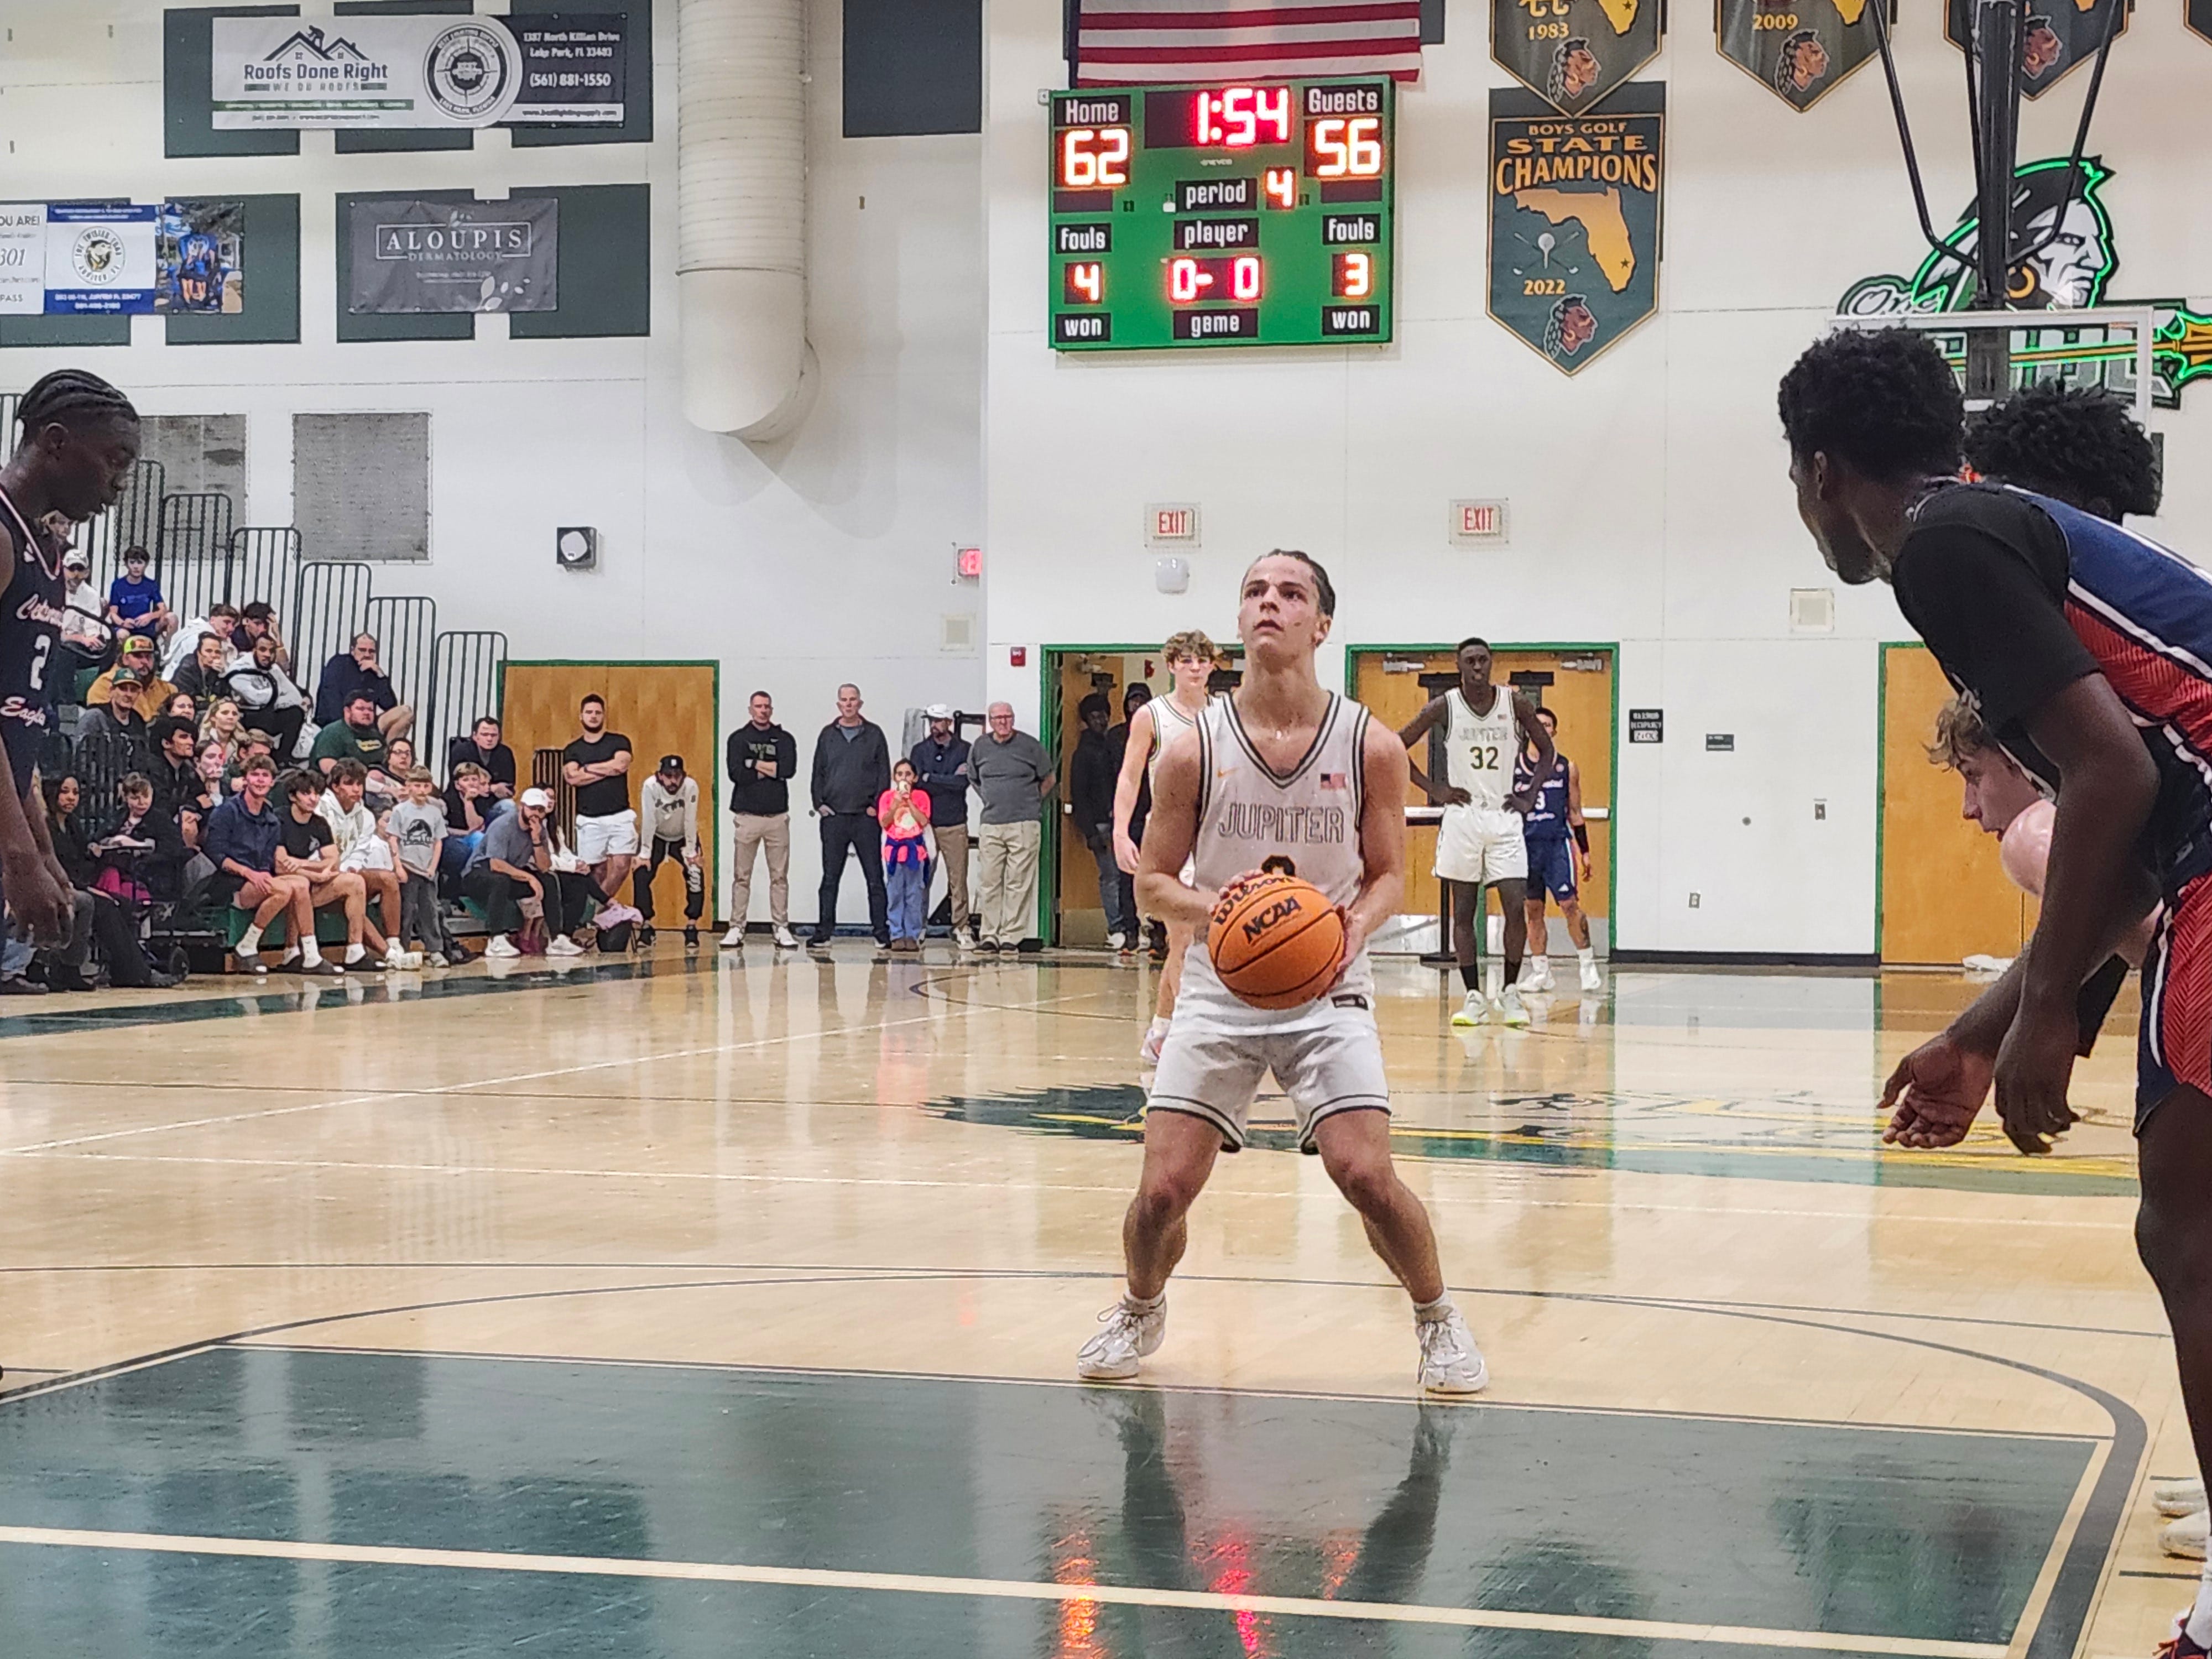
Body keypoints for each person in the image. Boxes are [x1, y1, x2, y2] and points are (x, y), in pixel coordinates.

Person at [1775, 328, 2212, 1659]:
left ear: (1818, 468)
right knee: (2182, 1229)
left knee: (2190, 1233)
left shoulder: (1944, 542)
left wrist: (2035, 1025)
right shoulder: (1990, 526)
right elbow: (2129, 821)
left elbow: (2114, 785)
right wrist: (1983, 1029)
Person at [1076, 549, 1487, 1395]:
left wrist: (1348, 929)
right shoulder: (1189, 750)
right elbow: (1152, 883)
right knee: (1162, 1192)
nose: (1271, 603)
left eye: (1291, 593)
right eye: (1256, 591)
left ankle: (1438, 1317)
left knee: (1366, 1175)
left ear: (1321, 624)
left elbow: (1386, 877)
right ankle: (1140, 1304)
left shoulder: (1369, 743)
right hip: (1220, 989)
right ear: (1238, 620)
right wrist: (1221, 908)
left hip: (1329, 984)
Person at [1398, 638, 1553, 1029]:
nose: (1478, 667)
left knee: (1515, 905)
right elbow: (1394, 745)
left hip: (1503, 816)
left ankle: (1510, 991)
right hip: (1462, 817)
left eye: (1484, 660)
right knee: (1463, 912)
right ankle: (1473, 996)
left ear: (1492, 663)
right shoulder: (1444, 706)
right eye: (1471, 661)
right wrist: (1433, 789)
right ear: (1459, 666)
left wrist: (1530, 794)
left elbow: (1548, 752)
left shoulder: (1513, 704)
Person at [1114, 633, 1216, 1058]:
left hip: (1213, 836)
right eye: (1186, 660)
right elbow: (1130, 776)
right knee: (1183, 938)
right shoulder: (1152, 716)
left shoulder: (1223, 715)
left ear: (1213, 666)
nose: (1195, 668)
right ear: (1171, 665)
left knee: (1201, 941)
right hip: (1169, 837)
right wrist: (1122, 832)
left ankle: (1160, 1030)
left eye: (1202, 661)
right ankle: (1194, 1035)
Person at [201, 754, 317, 976]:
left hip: (257, 878)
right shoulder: (227, 811)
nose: (260, 780)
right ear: (246, 779)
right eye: (255, 775)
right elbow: (216, 854)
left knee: (301, 883)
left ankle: (310, 954)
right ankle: (246, 947)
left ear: (272, 782)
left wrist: (262, 874)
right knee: (283, 889)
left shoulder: (272, 818)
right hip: (228, 881)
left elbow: (266, 860)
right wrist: (250, 874)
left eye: (266, 776)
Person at [1516, 707, 1603, 995]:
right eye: (1538, 724)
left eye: (1548, 725)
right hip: (1525, 846)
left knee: (1569, 905)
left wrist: (1586, 851)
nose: (1543, 729)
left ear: (1554, 731)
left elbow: (1575, 812)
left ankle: (1587, 965)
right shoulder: (1512, 766)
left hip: (1556, 845)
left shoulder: (1566, 767)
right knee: (1533, 909)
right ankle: (1541, 972)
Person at [466, 786, 595, 960]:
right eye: (532, 808)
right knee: (500, 880)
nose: (536, 813)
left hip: (510, 874)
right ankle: (496, 939)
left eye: (540, 810)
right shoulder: (503, 825)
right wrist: (529, 878)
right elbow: (496, 864)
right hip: (478, 873)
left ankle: (557, 939)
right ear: (522, 807)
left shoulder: (539, 830)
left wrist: (536, 841)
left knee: (549, 879)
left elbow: (544, 866)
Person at [808, 682, 890, 950]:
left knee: (875, 878)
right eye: (844, 700)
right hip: (835, 819)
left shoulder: (875, 734)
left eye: (853, 699)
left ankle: (881, 931)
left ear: (860, 703)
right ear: (838, 704)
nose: (849, 704)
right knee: (830, 878)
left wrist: (876, 806)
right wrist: (819, 804)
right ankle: (824, 932)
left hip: (865, 818)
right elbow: (817, 773)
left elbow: (884, 774)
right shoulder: (827, 735)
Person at [971, 702, 1056, 953]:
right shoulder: (980, 747)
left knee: (1019, 882)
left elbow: (1049, 779)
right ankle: (989, 936)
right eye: (998, 718)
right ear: (990, 721)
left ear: (1013, 719)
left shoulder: (1030, 746)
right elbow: (974, 778)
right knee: (989, 881)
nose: (1003, 722)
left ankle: (1011, 937)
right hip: (992, 823)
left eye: (1007, 717)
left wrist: (1030, 802)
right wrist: (991, 798)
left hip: (1024, 823)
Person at [316, 757, 410, 968]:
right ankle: (384, 953)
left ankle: (395, 942)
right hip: (320, 877)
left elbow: (360, 852)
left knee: (387, 878)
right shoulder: (320, 810)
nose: (356, 789)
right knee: (353, 884)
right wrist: (342, 872)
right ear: (335, 786)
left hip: (348, 873)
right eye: (349, 783)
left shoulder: (366, 816)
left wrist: (351, 868)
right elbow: (314, 853)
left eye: (359, 784)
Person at [724, 691, 800, 951]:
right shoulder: (738, 739)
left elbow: (787, 770)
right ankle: (736, 927)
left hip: (777, 817)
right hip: (746, 817)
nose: (763, 711)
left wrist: (754, 763)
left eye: (767, 706)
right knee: (741, 876)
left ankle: (781, 927)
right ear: (750, 709)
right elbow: (737, 774)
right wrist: (771, 769)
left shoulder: (784, 739)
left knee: (779, 876)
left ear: (772, 709)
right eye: (758, 706)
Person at [274, 769, 364, 973]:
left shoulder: (319, 823)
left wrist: (300, 864)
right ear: (292, 796)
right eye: (307, 794)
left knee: (354, 881)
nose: (313, 799)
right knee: (300, 884)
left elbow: (334, 861)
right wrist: (314, 872)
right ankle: (294, 951)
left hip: (307, 880)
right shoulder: (279, 819)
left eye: (317, 794)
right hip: (283, 884)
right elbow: (279, 865)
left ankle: (355, 950)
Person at [562, 694, 640, 920]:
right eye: (589, 712)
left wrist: (587, 769)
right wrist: (606, 768)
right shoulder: (573, 749)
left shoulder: (619, 742)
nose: (593, 716)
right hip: (589, 818)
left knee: (622, 864)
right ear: (581, 716)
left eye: (597, 712)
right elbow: (572, 779)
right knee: (594, 871)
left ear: (604, 716)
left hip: (620, 815)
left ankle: (596, 913)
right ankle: (588, 917)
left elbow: (621, 766)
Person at [1068, 691, 1130, 950]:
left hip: (1121, 820)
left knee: (1126, 875)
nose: (1101, 721)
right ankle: (1115, 927)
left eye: (1104, 715)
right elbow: (1079, 795)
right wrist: (1090, 831)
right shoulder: (1083, 753)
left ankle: (1129, 925)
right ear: (1086, 720)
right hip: (1100, 824)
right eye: (1094, 716)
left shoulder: (1114, 744)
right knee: (1111, 876)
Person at [911, 703, 974, 949]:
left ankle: (961, 926)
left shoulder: (964, 750)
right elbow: (918, 782)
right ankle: (919, 926)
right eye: (932, 721)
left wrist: (931, 778)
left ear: (949, 722)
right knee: (922, 877)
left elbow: (962, 784)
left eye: (939, 720)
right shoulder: (920, 751)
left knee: (958, 878)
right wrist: (943, 779)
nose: (934, 725)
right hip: (926, 823)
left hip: (954, 822)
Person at [390, 766, 465, 967]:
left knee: (430, 910)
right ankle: (403, 949)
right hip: (408, 866)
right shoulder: (400, 811)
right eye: (417, 785)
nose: (422, 790)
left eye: (426, 785)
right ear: (408, 786)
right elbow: (393, 839)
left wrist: (433, 866)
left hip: (428, 870)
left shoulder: (434, 812)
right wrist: (398, 866)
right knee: (407, 911)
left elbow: (438, 842)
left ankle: (435, 950)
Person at [634, 753, 704, 948]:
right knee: (641, 875)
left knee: (695, 874)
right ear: (659, 775)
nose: (673, 781)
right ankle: (646, 925)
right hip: (657, 835)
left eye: (677, 775)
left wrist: (691, 852)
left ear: (683, 775)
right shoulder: (650, 786)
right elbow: (649, 818)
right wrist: (645, 854)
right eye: (668, 775)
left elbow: (691, 819)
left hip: (682, 836)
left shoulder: (690, 786)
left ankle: (692, 926)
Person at [1110, 682, 1152, 959]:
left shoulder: (1159, 732)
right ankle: (1130, 932)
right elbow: (1110, 778)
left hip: (1156, 812)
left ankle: (1159, 935)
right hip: (1128, 814)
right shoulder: (1115, 737)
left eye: (1141, 701)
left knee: (1159, 876)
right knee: (1126, 878)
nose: (1136, 706)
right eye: (1132, 701)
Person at [222, 630, 309, 761]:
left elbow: (295, 697)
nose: (267, 655)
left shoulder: (273, 668)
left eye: (271, 651)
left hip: (268, 713)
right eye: (263, 650)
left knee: (296, 713)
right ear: (254, 650)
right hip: (246, 716)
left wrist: (275, 701)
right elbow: (255, 699)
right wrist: (278, 694)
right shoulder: (240, 668)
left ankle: (283, 758)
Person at [879, 758, 935, 952]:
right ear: (895, 777)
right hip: (894, 852)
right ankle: (896, 933)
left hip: (915, 852)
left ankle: (912, 934)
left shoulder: (921, 797)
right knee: (895, 894)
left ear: (915, 777)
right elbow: (885, 822)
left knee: (914, 894)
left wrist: (909, 802)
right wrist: (895, 804)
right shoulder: (887, 797)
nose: (904, 778)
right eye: (900, 774)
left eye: (908, 774)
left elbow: (923, 821)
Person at [312, 632, 413, 739]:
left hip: (367, 726)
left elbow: (389, 705)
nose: (367, 655)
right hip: (340, 724)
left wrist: (380, 675)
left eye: (372, 651)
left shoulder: (373, 673)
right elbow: (331, 699)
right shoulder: (340, 664)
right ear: (352, 650)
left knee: (405, 713)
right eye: (362, 650)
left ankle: (388, 753)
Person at [58, 548, 112, 685]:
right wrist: (81, 639)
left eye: (80, 569)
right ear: (63, 569)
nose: (76, 574)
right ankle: (66, 702)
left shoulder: (91, 594)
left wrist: (94, 640)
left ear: (87, 573)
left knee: (110, 650)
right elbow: (56, 632)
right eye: (72, 569)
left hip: (80, 642)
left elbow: (92, 626)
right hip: (59, 641)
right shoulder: (54, 590)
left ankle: (98, 693)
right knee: (66, 653)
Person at [309, 690, 389, 780]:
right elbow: (328, 767)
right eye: (361, 709)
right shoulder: (333, 732)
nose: (367, 713)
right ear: (347, 711)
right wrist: (365, 776)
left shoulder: (375, 734)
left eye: (371, 710)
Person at [445, 716, 517, 812]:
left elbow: (508, 784)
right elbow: (460, 781)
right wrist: (492, 788)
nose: (489, 738)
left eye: (494, 735)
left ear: (499, 736)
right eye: (485, 734)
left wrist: (490, 788)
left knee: (509, 806)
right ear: (475, 736)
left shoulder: (505, 753)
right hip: (461, 803)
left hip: (492, 803)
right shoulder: (461, 750)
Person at [87, 635, 176, 713]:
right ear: (125, 659)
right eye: (138, 656)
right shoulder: (105, 685)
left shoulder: (167, 689)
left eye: (148, 656)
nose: (145, 662)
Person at [79, 666, 153, 753]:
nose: (128, 694)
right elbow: (79, 753)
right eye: (123, 688)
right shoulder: (95, 717)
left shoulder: (138, 722)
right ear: (111, 691)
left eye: (133, 690)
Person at [104, 545, 167, 643]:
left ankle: (167, 650)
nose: (136, 566)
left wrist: (150, 616)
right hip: (126, 628)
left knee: (171, 618)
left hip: (146, 626)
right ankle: (124, 656)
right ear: (127, 564)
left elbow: (163, 609)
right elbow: (113, 613)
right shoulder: (118, 585)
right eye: (132, 562)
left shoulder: (151, 585)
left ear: (145, 564)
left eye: (140, 562)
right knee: (122, 634)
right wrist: (123, 623)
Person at [161, 602, 238, 680]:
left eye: (233, 624)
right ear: (212, 620)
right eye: (227, 622)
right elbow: (190, 670)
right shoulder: (197, 639)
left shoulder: (223, 641)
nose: (231, 628)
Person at [235, 601, 289, 674]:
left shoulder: (267, 639)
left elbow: (284, 668)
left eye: (266, 624)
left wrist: (278, 640)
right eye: (257, 623)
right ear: (247, 621)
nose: (262, 629)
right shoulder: (234, 639)